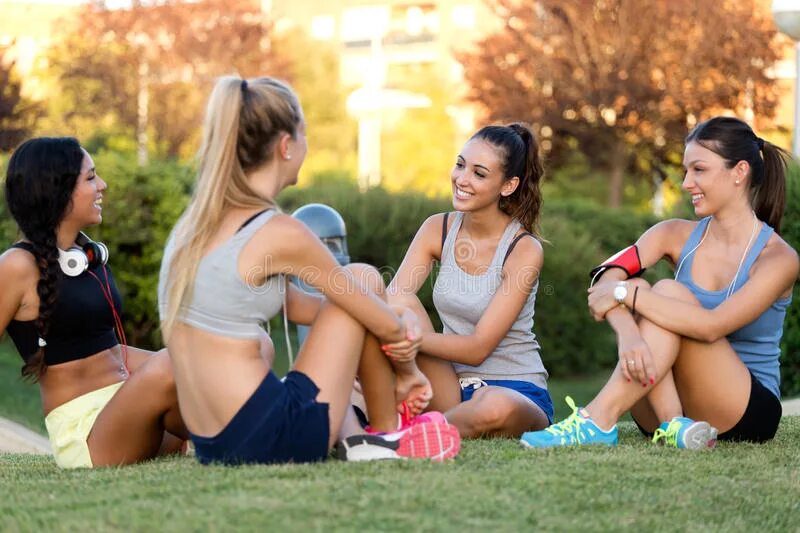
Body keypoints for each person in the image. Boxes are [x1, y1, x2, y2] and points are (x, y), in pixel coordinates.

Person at [157, 76, 460, 465]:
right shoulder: (278, 232)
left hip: (217, 445)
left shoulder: (196, 227)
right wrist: (406, 371)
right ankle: (385, 434)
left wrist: (387, 316)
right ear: (286, 146)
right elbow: (368, 313)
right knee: (363, 277)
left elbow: (314, 310)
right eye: (303, 134)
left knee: (360, 295)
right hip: (271, 438)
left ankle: (365, 439)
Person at [521, 116, 798, 449]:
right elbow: (602, 279)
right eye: (686, 171)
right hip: (661, 405)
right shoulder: (671, 234)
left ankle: (597, 419)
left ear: (739, 172)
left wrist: (628, 293)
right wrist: (628, 336)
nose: (686, 183)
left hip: (743, 411)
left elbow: (712, 326)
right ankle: (673, 424)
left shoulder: (777, 259)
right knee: (661, 296)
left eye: (699, 170)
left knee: (665, 291)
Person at [1, 137, 188, 468]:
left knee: (215, 354)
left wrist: (193, 362)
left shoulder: (88, 257)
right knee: (173, 365)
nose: (102, 185)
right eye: (90, 177)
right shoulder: (16, 266)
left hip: (128, 414)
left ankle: (263, 429)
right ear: (56, 190)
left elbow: (116, 355)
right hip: (87, 436)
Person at [385, 123, 554, 438]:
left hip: (514, 388)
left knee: (493, 406)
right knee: (397, 302)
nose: (461, 179)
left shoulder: (523, 249)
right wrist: (392, 335)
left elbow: (478, 349)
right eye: (460, 165)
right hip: (449, 383)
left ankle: (403, 436)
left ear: (508, 185)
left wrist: (408, 338)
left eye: (479, 173)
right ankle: (418, 421)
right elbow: (392, 301)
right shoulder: (438, 228)